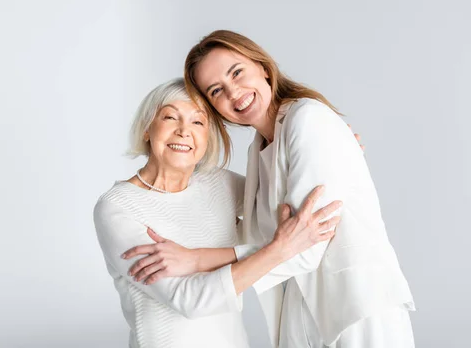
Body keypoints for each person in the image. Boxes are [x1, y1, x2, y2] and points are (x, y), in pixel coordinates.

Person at [130, 30, 415, 347]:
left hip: (356, 307)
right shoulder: (259, 150)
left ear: (263, 66)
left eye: (236, 72)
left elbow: (302, 248)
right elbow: (270, 243)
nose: (233, 92)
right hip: (301, 312)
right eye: (216, 91)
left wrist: (195, 259)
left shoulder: (308, 120)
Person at [93, 78, 342, 348]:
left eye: (198, 122)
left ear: (208, 136)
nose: (183, 131)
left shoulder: (219, 184)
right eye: (170, 117)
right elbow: (190, 300)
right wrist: (279, 250)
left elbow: (289, 199)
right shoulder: (118, 206)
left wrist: (329, 149)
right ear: (146, 129)